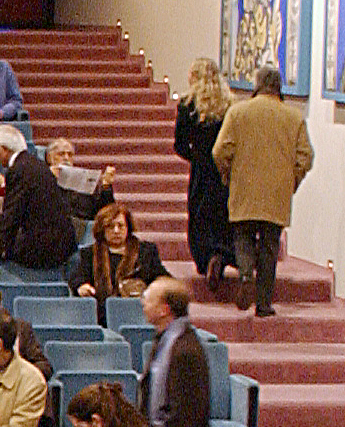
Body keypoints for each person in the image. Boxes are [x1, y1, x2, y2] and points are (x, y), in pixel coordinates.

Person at [211, 65, 311, 315]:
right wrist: (291, 181)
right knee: (269, 245)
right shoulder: (294, 117)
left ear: (257, 85)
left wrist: (228, 175)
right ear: (279, 88)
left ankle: (245, 276)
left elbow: (219, 151)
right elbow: (305, 157)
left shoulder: (238, 112)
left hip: (244, 186)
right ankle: (264, 303)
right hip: (277, 192)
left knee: (242, 237)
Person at [169, 58, 236, 294]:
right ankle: (221, 253)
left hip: (201, 169)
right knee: (223, 214)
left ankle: (204, 257)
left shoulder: (188, 105)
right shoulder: (229, 105)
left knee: (199, 214)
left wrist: (195, 156)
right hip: (224, 171)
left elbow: (179, 144)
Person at [137, 280, 214, 427]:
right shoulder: (165, 340)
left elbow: (186, 412)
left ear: (164, 309)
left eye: (147, 300)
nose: (143, 304)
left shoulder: (185, 350)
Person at [0, 129, 76, 271]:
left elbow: (13, 214)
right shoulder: (35, 164)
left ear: (4, 149)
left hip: (47, 246)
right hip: (63, 242)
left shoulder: (18, 169)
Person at [69, 201, 169, 304]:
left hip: (138, 309)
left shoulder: (146, 251)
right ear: (102, 229)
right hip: (101, 312)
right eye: (110, 226)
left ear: (128, 228)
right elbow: (77, 278)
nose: (116, 231)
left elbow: (161, 277)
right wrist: (82, 286)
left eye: (120, 226)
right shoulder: (89, 253)